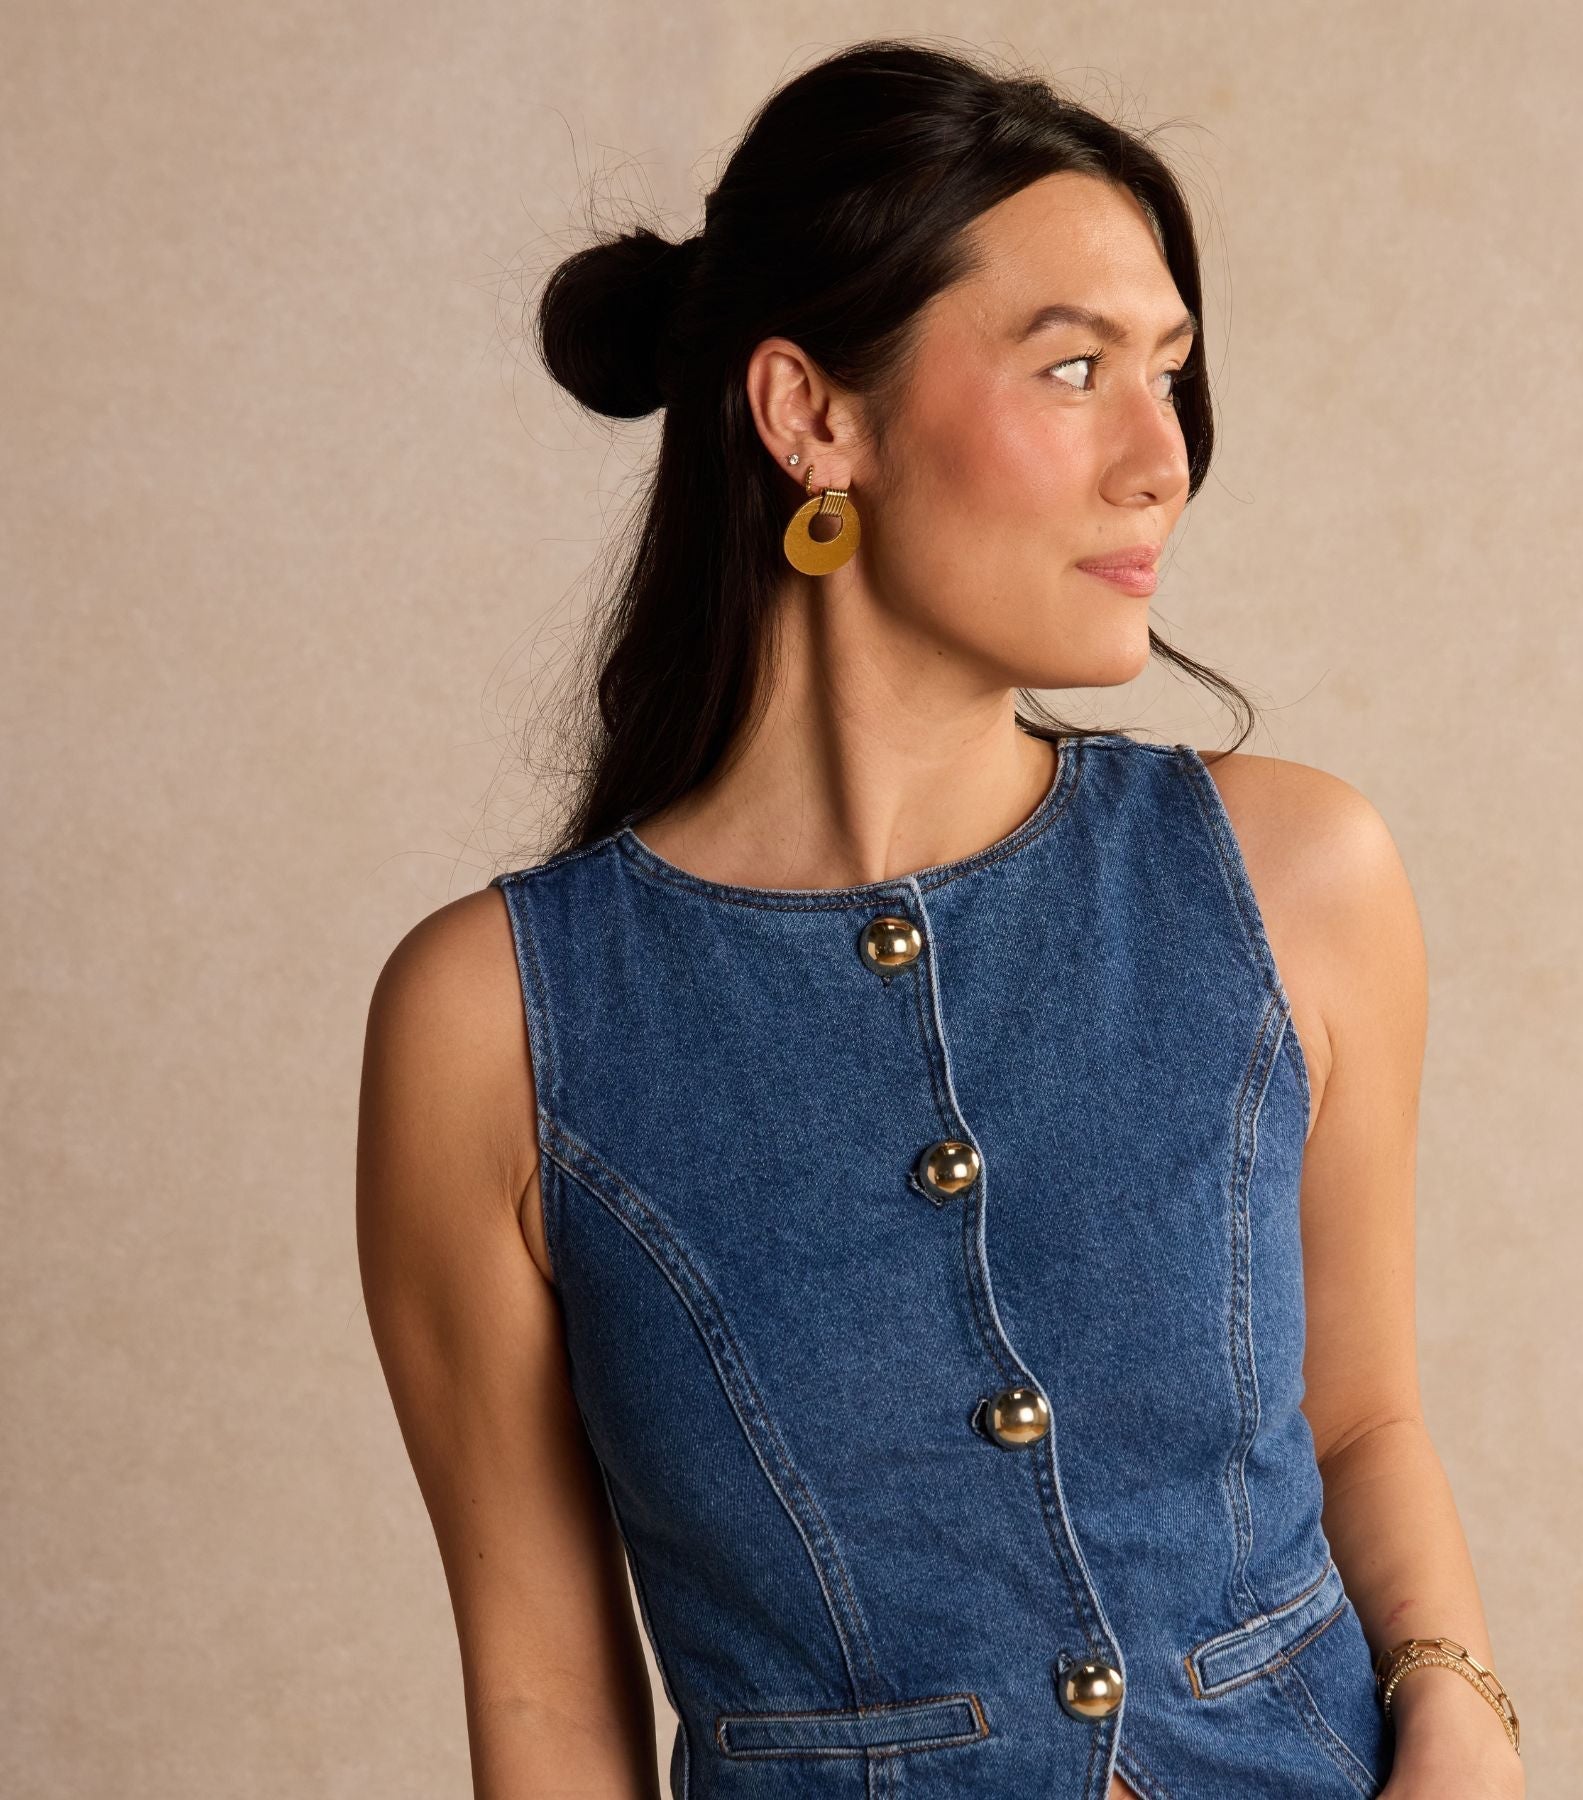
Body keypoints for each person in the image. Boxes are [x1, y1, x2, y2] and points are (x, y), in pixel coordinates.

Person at [357, 38, 1524, 1800]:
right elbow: (546, 1707)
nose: (1162, 458)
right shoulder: (497, 1021)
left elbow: (1361, 1418)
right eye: (1075, 369)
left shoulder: (1300, 877)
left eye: (1171, 373)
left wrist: (1460, 1714)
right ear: (812, 416)